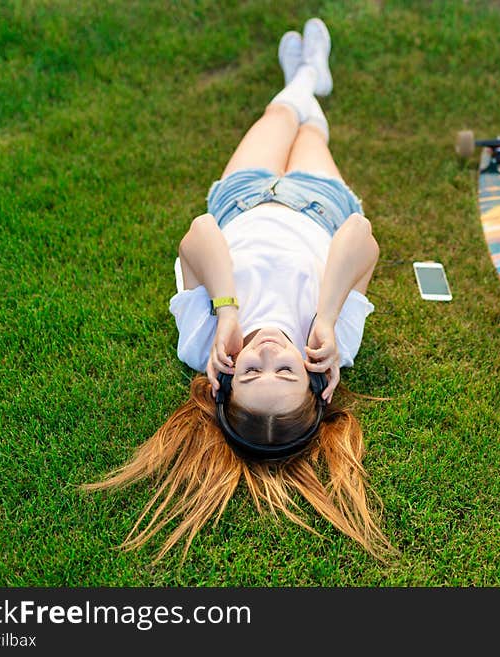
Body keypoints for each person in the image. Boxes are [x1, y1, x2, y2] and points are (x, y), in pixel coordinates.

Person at [84, 18, 393, 561]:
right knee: (311, 135)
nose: (268, 355)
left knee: (277, 117)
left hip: (242, 199)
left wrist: (226, 311)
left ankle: (303, 80)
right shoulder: (333, 340)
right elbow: (360, 237)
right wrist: (324, 313)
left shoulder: (203, 340)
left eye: (252, 372)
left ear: (224, 381)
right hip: (324, 207)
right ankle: (308, 78)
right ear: (317, 382)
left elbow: (201, 233)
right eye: (286, 371)